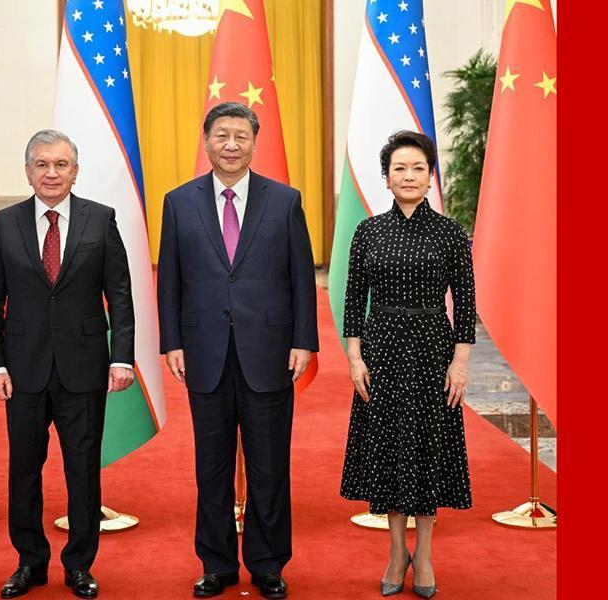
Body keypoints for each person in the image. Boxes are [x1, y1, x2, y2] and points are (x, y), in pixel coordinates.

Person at [157, 102, 318, 600]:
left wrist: (304, 341)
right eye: (222, 135)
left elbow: (301, 277)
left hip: (269, 351)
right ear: (206, 141)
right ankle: (217, 564)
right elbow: (170, 280)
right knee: (212, 467)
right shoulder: (178, 202)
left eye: (241, 136)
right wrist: (171, 341)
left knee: (269, 464)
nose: (231, 145)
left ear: (254, 142)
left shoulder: (284, 200)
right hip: (203, 353)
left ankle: (268, 564)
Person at [0, 130, 135, 599]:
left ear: (75, 170)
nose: (51, 173)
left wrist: (122, 356)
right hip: (22, 370)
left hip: (83, 367)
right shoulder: (5, 222)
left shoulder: (100, 219)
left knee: (83, 469)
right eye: (42, 164)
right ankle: (29, 562)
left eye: (61, 164)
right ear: (28, 171)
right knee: (24, 469)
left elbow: (120, 294)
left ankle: (79, 564)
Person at [339, 130, 476, 599]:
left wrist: (460, 363)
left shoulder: (450, 232)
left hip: (433, 350)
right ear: (386, 177)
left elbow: (466, 302)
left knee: (427, 450)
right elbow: (353, 301)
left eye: (419, 167)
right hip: (381, 351)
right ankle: (397, 552)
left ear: (430, 175)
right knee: (390, 450)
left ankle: (427, 554)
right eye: (400, 168)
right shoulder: (368, 231)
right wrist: (355, 357)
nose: (409, 175)